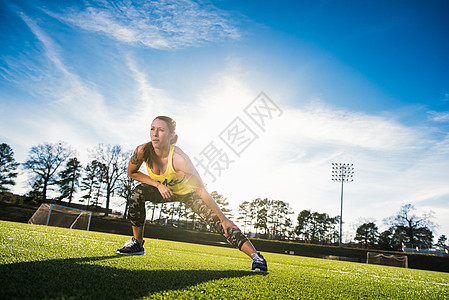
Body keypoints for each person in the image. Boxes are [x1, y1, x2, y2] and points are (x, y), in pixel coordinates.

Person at [116, 116, 268, 273]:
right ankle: (137, 244)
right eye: (152, 129)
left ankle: (257, 258)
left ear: (171, 136)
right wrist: (157, 184)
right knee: (137, 193)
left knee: (218, 222)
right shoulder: (142, 151)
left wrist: (223, 219)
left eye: (161, 130)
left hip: (188, 192)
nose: (155, 134)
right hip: (164, 191)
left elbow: (201, 189)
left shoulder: (179, 159)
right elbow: (132, 172)